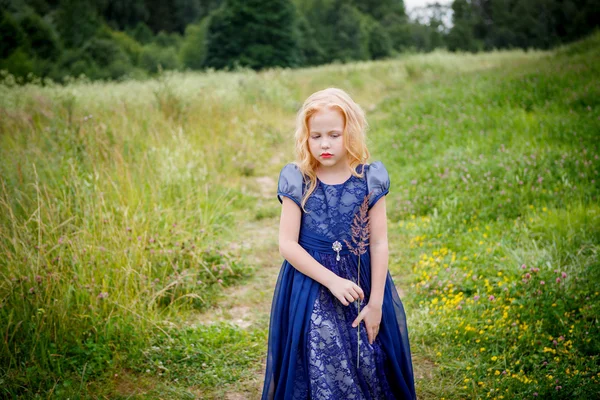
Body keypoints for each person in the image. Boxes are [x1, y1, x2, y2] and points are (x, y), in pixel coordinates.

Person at [261, 88, 417, 400]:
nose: (325, 144)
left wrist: (375, 304)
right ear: (305, 137)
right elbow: (287, 245)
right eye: (315, 136)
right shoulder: (298, 179)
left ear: (351, 132)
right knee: (319, 354)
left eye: (334, 134)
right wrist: (332, 280)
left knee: (368, 357)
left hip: (363, 282)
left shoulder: (370, 179)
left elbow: (379, 243)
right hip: (310, 284)